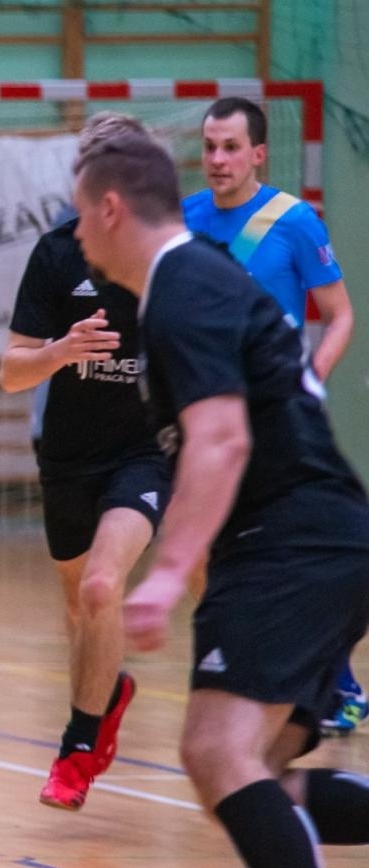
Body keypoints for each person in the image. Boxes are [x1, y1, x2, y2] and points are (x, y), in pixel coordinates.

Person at [76, 131, 369, 868]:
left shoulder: (183, 289)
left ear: (110, 208)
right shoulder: (189, 283)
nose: (76, 232)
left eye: (80, 213)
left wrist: (167, 575)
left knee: (215, 752)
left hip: (293, 541)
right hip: (306, 540)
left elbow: (223, 438)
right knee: (255, 776)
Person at [1, 112, 167, 812]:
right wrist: (60, 351)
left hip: (144, 455)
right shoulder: (55, 255)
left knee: (103, 585)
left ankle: (75, 749)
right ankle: (109, 692)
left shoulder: (168, 258)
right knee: (81, 608)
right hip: (69, 457)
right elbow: (11, 372)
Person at [185, 96, 362, 735]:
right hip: (212, 417)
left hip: (280, 421)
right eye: (210, 146)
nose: (218, 159)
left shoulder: (293, 220)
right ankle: (251, 673)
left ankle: (336, 683)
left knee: (290, 556)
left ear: (259, 153)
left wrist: (310, 380)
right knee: (208, 550)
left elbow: (340, 315)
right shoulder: (186, 220)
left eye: (231, 147)